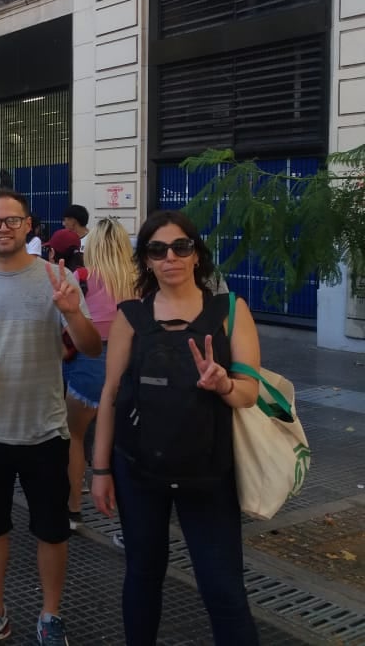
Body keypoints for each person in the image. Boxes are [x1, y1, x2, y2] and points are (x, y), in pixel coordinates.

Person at [91, 211, 261, 645]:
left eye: (181, 247)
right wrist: (101, 471)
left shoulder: (231, 311)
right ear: (146, 260)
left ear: (196, 254)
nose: (171, 257)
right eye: (158, 249)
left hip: (209, 473)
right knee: (143, 575)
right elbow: (111, 393)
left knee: (222, 586)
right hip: (138, 471)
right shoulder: (130, 317)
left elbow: (250, 393)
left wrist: (224, 383)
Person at [0, 188, 101, 646]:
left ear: (29, 224)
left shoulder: (56, 278)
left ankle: (51, 615)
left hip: (45, 430)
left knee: (51, 530)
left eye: (13, 220)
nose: (3, 228)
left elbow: (91, 348)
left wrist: (73, 314)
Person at [63, 218, 136, 534]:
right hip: (131, 368)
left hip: (88, 365)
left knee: (74, 437)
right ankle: (126, 524)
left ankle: (73, 510)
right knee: (122, 445)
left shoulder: (81, 277)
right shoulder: (143, 281)